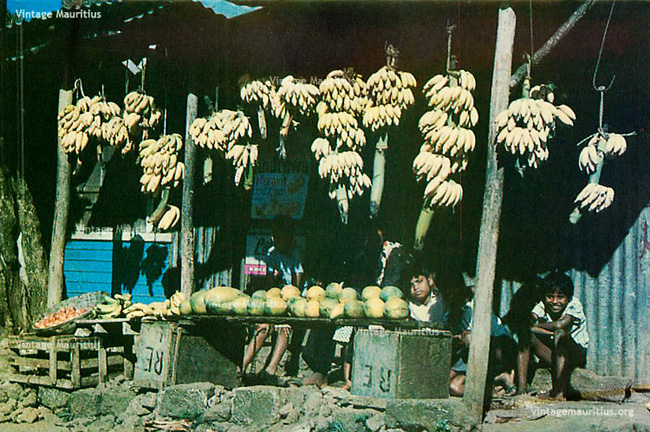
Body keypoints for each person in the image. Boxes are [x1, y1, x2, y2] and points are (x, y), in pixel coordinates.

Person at [241, 217, 303, 385]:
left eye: (281, 236)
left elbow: (298, 283)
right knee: (264, 326)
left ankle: (270, 370)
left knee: (284, 327)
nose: (278, 239)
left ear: (288, 237)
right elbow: (269, 281)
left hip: (294, 298)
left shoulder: (295, 254)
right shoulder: (273, 253)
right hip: (277, 295)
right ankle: (241, 367)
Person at [516, 271, 589, 399]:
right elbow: (528, 321)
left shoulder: (574, 304)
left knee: (560, 334)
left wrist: (534, 327)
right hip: (555, 355)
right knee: (525, 334)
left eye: (560, 297)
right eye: (550, 297)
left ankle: (559, 391)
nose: (555, 302)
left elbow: (560, 325)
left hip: (575, 355)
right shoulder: (543, 305)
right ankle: (521, 389)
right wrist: (529, 326)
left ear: (569, 298)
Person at [443, 273, 516, 397]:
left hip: (491, 354)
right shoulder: (450, 313)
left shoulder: (474, 306)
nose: (449, 294)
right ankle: (497, 380)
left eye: (453, 290)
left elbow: (482, 336)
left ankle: (489, 387)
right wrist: (458, 338)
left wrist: (467, 336)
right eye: (446, 291)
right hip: (466, 357)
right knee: (446, 383)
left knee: (454, 386)